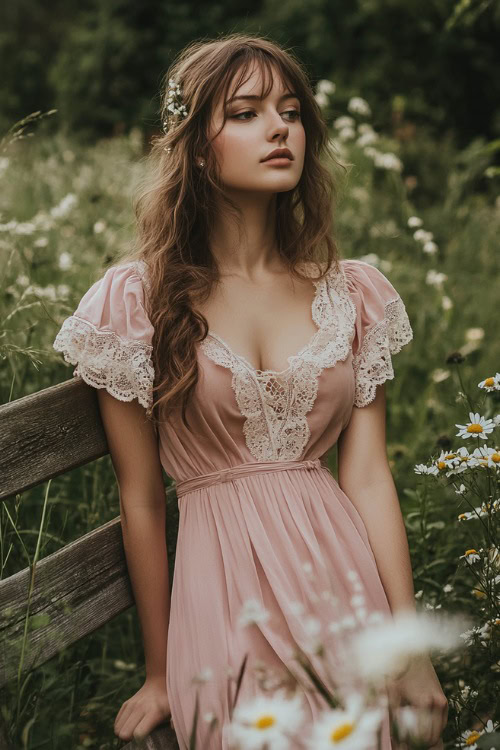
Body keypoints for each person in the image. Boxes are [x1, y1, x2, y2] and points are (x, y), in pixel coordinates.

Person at [52, 32, 448, 750]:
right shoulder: (136, 301)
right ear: (197, 148)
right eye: (245, 113)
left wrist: (409, 647)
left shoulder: (351, 293)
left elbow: (366, 477)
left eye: (291, 112)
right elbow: (140, 498)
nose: (279, 129)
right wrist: (160, 673)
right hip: (223, 588)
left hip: (343, 581)